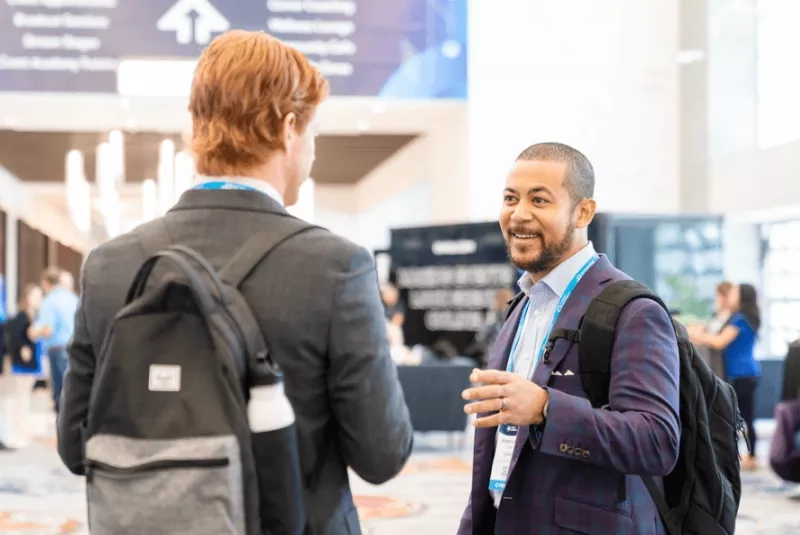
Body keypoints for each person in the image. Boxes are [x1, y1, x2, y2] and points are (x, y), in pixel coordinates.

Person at [57, 30, 413, 535]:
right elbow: (383, 454)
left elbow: (76, 446)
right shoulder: (337, 266)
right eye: (312, 133)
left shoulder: (110, 265)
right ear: (289, 128)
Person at [458, 142, 680, 534]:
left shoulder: (633, 310)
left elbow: (656, 441)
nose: (519, 214)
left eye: (539, 200)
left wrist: (546, 408)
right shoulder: (522, 305)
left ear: (583, 212)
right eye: (510, 198)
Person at [690, 283, 761, 470]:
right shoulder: (746, 318)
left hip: (742, 373)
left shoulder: (739, 319)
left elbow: (720, 342)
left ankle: (750, 456)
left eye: (735, 293)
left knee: (739, 415)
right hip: (745, 372)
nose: (731, 296)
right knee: (744, 415)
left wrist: (694, 335)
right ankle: (749, 455)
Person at [28, 267, 78, 414]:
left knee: (60, 393)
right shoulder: (73, 298)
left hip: (57, 349)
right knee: (71, 388)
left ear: (45, 283)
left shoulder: (49, 301)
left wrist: (32, 332)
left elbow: (47, 329)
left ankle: (61, 427)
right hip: (74, 348)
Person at [0, 284, 43, 449]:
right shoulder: (21, 316)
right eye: (35, 295)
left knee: (23, 398)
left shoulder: (36, 316)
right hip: (21, 365)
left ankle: (20, 431)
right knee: (17, 399)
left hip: (31, 364)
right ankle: (13, 433)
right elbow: (15, 337)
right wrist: (22, 349)